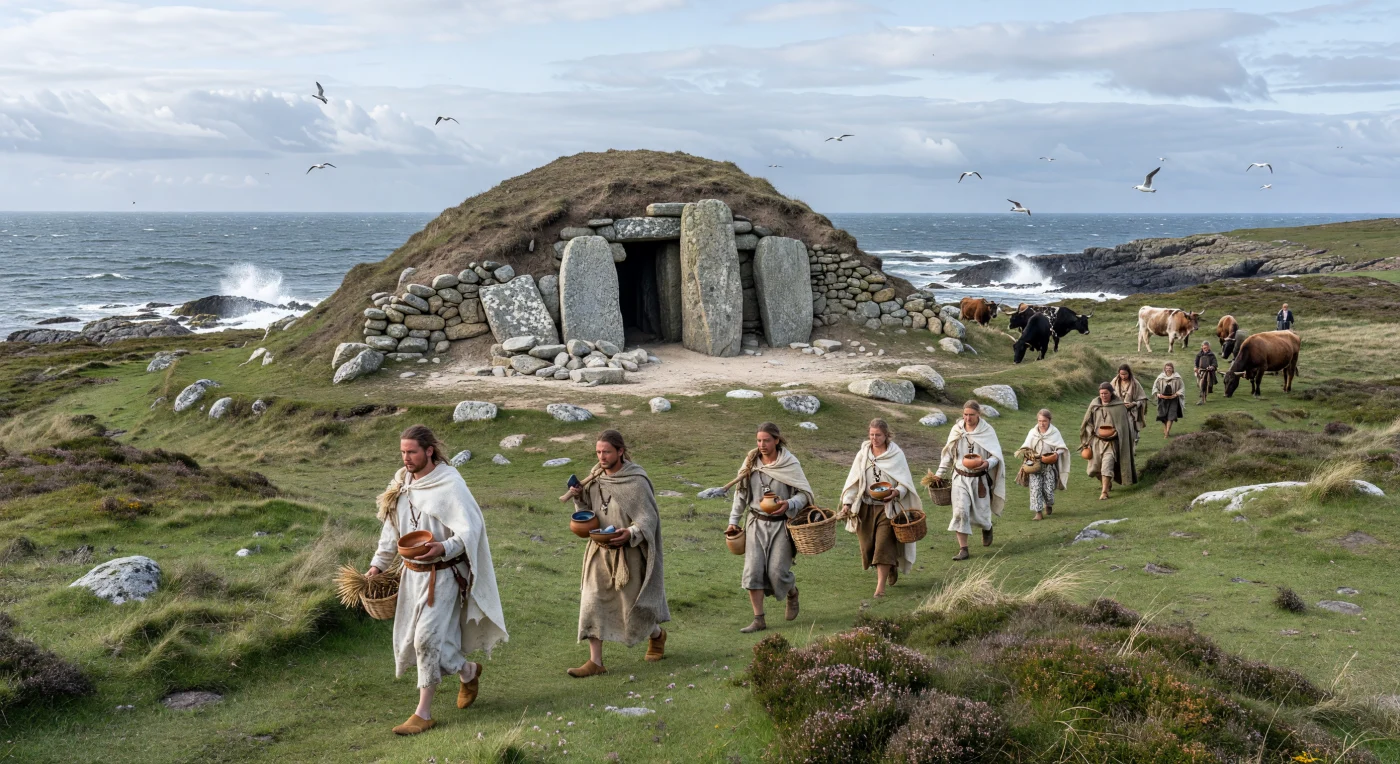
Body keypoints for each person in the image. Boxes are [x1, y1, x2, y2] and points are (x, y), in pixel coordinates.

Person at [367, 425, 508, 736]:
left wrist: (444, 547)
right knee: (430, 641)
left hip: (444, 575)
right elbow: (392, 530)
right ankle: (468, 671)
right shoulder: (401, 483)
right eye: (403, 452)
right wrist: (378, 564)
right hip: (411, 576)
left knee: (425, 639)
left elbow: (469, 530)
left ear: (429, 451)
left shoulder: (450, 484)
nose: (406, 458)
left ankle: (423, 713)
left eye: (412, 452)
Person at [561, 430, 669, 677]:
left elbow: (647, 517)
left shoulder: (636, 480)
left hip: (628, 554)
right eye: (598, 452)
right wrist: (579, 498)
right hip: (598, 551)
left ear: (620, 451)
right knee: (592, 601)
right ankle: (596, 662)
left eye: (607, 451)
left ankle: (657, 635)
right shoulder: (595, 477)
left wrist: (631, 533)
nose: (602, 457)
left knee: (631, 607)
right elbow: (589, 512)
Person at [724, 423, 816, 633]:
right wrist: (733, 521)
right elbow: (741, 493)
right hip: (755, 524)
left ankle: (792, 592)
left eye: (766, 440)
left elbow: (804, 494)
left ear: (776, 440)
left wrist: (789, 504)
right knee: (752, 572)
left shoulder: (790, 463)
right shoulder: (751, 463)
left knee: (777, 573)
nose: (762, 445)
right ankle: (759, 619)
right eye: (758, 440)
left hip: (782, 526)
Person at [839, 419, 921, 595]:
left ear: (886, 435)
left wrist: (896, 492)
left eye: (878, 435)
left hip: (887, 508)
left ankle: (880, 587)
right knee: (867, 547)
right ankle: (891, 566)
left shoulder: (896, 455)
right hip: (865, 507)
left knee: (882, 545)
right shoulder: (863, 454)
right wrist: (847, 502)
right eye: (871, 435)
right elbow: (853, 480)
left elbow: (905, 482)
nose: (874, 438)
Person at [931, 401, 1005, 560]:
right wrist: (939, 473)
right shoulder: (957, 430)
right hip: (960, 478)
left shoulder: (987, 431)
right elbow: (948, 454)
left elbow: (996, 456)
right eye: (965, 414)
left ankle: (987, 527)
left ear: (979, 414)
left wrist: (987, 463)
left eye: (971, 415)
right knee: (960, 511)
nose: (968, 418)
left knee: (981, 514)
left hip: (979, 480)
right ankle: (963, 549)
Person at [1079, 383, 1138, 501]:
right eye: (1101, 393)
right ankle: (1106, 483)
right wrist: (1090, 435)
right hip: (1096, 441)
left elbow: (1124, 426)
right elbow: (1087, 422)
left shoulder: (1119, 406)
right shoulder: (1094, 405)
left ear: (1111, 393)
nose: (1103, 395)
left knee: (1107, 465)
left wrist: (1117, 432)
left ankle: (1104, 492)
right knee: (1093, 470)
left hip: (1112, 443)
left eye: (1106, 393)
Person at [1014, 409, 1069, 521]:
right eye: (1039, 421)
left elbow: (1062, 448)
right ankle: (1038, 513)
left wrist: (1055, 454)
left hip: (1049, 466)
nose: (1042, 423)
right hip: (1034, 465)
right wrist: (1028, 454)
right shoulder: (1033, 432)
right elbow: (1025, 446)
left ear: (1049, 420)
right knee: (1035, 488)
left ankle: (1048, 504)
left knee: (1048, 490)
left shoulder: (1054, 432)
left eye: (1044, 421)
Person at [1110, 364, 1147, 443]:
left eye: (1125, 374)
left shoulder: (1135, 383)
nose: (1123, 376)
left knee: (1132, 429)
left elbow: (1142, 399)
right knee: (1119, 429)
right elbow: (1109, 394)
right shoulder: (1114, 382)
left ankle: (1133, 446)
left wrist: (1134, 404)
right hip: (1118, 410)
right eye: (1121, 374)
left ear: (1129, 373)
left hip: (1132, 411)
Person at [1152, 362, 1186, 437]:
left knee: (1171, 415)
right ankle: (1165, 428)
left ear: (1172, 369)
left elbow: (1182, 388)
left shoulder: (1177, 377)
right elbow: (1155, 387)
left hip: (1174, 399)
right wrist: (1158, 394)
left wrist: (1176, 394)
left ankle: (1167, 432)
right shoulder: (1160, 377)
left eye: (1170, 368)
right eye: (1167, 368)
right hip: (1163, 399)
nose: (1168, 370)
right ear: (1164, 369)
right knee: (1163, 416)